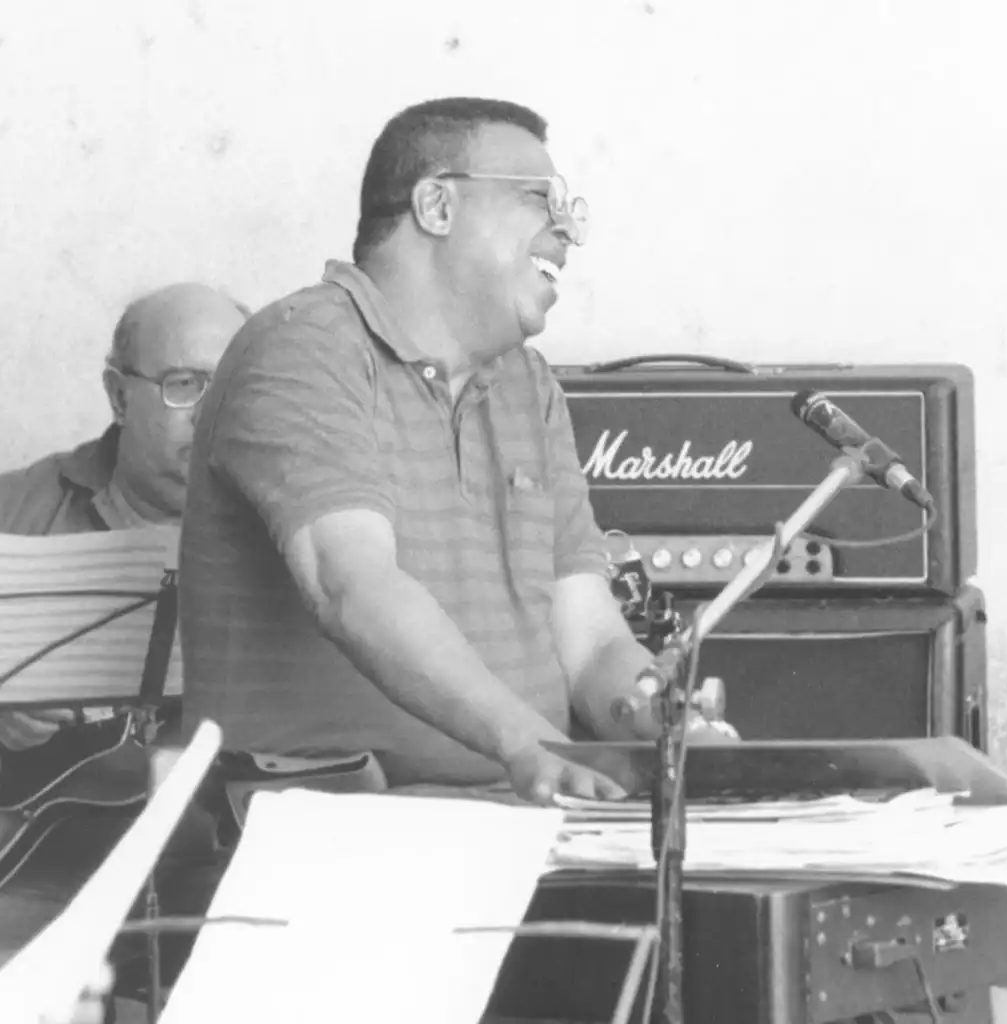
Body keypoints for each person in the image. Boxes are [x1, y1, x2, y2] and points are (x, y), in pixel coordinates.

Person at [179, 96, 734, 808]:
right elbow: (351, 587)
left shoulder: (528, 385)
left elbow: (592, 643)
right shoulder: (304, 345)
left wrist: (669, 720)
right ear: (437, 205)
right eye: (540, 199)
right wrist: (526, 743)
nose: (569, 231)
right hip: (331, 822)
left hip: (514, 811)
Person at [0, 283, 248, 753]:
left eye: (233, 384)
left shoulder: (297, 528)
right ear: (119, 397)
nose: (213, 412)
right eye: (184, 384)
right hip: (59, 799)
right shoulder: (12, 513)